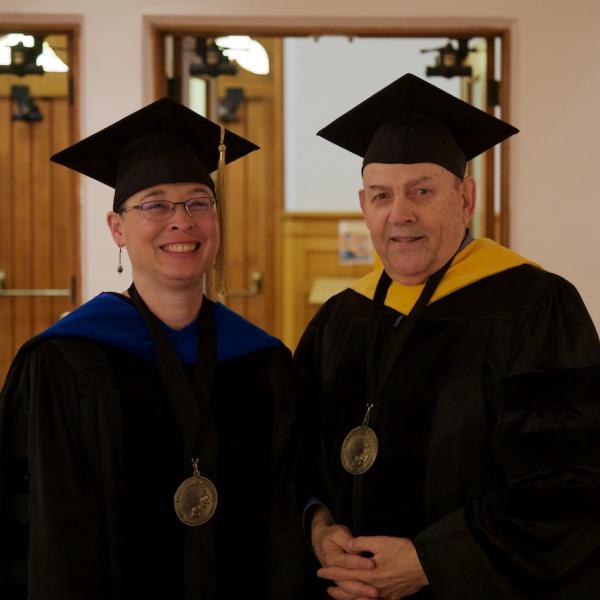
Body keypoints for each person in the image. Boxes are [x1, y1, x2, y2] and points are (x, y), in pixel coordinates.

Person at [295, 74, 600, 599]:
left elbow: (568, 482)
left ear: (466, 197)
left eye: (422, 191)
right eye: (381, 195)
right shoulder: (341, 318)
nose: (400, 214)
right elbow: (294, 455)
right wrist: (320, 529)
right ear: (363, 205)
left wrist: (432, 561)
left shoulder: (534, 307)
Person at [0, 98, 308, 599]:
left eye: (197, 202)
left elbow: (284, 517)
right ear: (117, 228)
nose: (180, 221)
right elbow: (44, 531)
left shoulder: (263, 361)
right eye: (156, 204)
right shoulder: (65, 361)